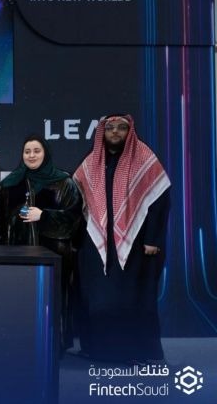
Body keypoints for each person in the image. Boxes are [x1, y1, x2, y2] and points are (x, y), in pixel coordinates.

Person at [73, 115, 171, 363]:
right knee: (100, 299)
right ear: (102, 133)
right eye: (110, 128)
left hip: (136, 245)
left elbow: (159, 201)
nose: (115, 132)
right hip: (98, 247)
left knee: (132, 299)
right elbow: (77, 199)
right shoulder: (92, 162)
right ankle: (100, 351)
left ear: (130, 131)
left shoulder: (144, 158)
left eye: (121, 128)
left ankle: (136, 352)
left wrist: (153, 239)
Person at [0, 135, 82, 350]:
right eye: (27, 152)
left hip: (53, 253)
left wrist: (44, 215)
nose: (31, 156)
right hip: (18, 252)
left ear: (46, 154)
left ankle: (55, 344)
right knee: (21, 298)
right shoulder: (11, 183)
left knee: (52, 297)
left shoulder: (63, 182)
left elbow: (74, 218)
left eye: (36, 151)